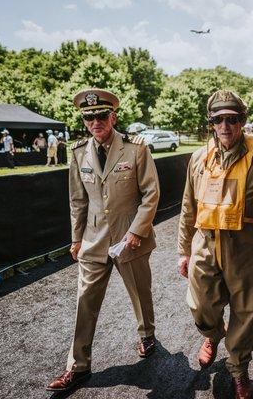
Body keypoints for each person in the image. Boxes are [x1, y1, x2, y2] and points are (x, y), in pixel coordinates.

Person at [177, 89, 253, 399]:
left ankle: (239, 370)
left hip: (246, 244)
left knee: (245, 310)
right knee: (200, 304)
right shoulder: (199, 158)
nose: (225, 126)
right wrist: (183, 249)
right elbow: (189, 205)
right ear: (211, 123)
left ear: (242, 121)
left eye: (232, 119)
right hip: (205, 241)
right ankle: (212, 334)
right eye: (218, 120)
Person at [47, 88, 160, 393]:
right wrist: (75, 239)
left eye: (100, 115)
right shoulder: (79, 151)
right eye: (88, 116)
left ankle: (147, 334)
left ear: (113, 116)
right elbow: (77, 200)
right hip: (93, 241)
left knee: (140, 293)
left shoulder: (135, 148)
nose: (95, 121)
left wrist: (137, 231)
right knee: (85, 302)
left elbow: (151, 194)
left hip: (130, 237)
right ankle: (78, 366)